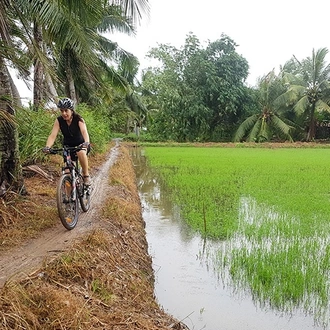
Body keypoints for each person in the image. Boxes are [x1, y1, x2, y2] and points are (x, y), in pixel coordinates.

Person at [43, 97, 91, 186]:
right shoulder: (59, 120)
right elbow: (53, 135)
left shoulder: (78, 119)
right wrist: (47, 147)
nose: (64, 113)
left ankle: (86, 175)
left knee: (80, 152)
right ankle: (70, 198)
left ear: (71, 110)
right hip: (68, 147)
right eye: (61, 111)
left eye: (66, 110)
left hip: (81, 145)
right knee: (67, 172)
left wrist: (86, 143)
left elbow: (84, 132)